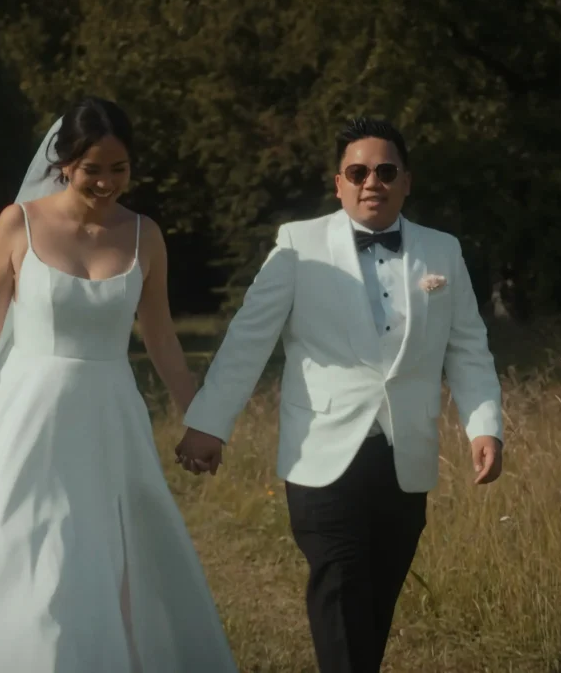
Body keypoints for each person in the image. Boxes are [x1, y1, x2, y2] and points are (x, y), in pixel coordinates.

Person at [0, 97, 238, 673]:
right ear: (65, 163)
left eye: (119, 169)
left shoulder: (146, 236)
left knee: (111, 551)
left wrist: (201, 419)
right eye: (93, 168)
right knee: (23, 541)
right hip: (32, 417)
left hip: (110, 418)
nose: (106, 182)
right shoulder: (18, 224)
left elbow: (162, 338)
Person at [175, 117, 505, 673]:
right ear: (338, 184)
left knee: (373, 604)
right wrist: (210, 421)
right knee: (340, 590)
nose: (371, 181)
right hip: (321, 455)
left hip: (408, 455)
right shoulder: (298, 245)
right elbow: (249, 338)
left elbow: (469, 348)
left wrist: (485, 425)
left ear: (406, 181)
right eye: (357, 171)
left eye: (384, 170)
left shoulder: (442, 251)